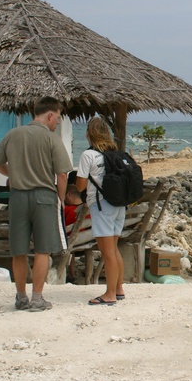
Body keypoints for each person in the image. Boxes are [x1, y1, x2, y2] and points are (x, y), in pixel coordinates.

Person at [0, 96, 73, 312]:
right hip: (44, 197)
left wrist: (14, 174)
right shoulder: (51, 138)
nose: (57, 123)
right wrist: (61, 199)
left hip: (18, 196)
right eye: (57, 118)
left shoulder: (13, 134)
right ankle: (37, 298)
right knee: (42, 250)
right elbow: (62, 174)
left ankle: (21, 297)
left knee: (18, 251)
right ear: (50, 115)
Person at [75, 116, 126, 305]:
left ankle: (110, 294)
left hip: (101, 205)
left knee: (107, 252)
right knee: (114, 248)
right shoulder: (115, 153)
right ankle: (118, 289)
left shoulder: (88, 155)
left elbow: (80, 186)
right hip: (119, 204)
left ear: (89, 134)